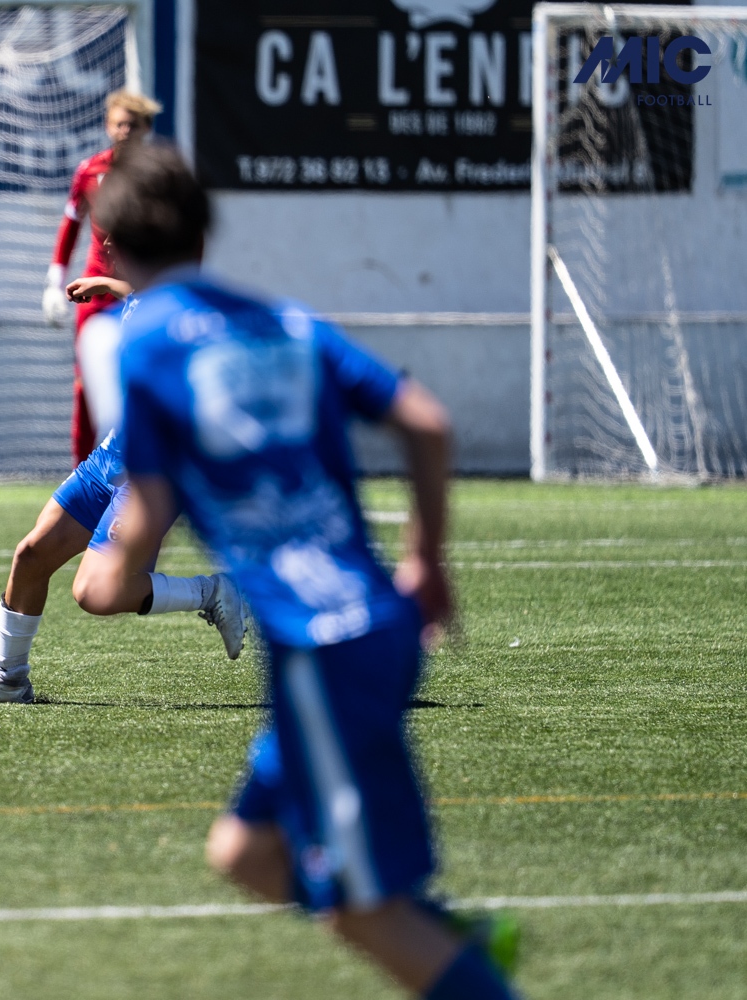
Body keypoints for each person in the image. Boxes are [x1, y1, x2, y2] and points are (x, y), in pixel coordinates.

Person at [85, 146, 522, 998]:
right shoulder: (284, 322)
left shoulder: (137, 344)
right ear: (204, 227)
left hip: (325, 641)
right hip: (363, 626)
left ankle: (450, 956)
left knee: (360, 914)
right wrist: (427, 560)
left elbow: (149, 500)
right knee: (244, 853)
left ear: (110, 245)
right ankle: (448, 938)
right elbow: (426, 423)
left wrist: (118, 569)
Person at [0, 274, 246, 706]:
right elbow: (138, 297)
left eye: (114, 241)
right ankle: (11, 683)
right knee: (31, 556)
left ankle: (212, 591)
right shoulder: (142, 300)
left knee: (96, 593)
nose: (104, 243)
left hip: (147, 472)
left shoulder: (188, 314)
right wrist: (107, 284)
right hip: (107, 459)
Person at [43, 89, 161, 467]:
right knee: (86, 384)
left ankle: (143, 470)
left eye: (132, 125)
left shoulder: (158, 177)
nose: (124, 131)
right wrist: (55, 281)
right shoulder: (90, 170)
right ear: (108, 126)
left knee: (141, 379)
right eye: (118, 124)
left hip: (139, 291)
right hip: (95, 293)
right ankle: (81, 472)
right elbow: (71, 223)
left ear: (146, 129)